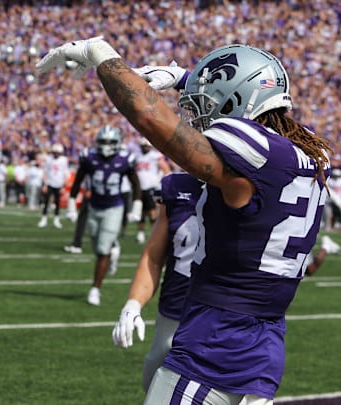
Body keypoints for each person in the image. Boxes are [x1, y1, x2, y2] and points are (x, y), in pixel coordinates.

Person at [37, 38, 333, 403]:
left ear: (239, 101)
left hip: (216, 344)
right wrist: (182, 77)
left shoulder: (252, 152)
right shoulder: (308, 151)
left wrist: (104, 56)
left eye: (206, 106)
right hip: (263, 346)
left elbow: (151, 118)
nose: (199, 116)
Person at [112, 172, 203, 392]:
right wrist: (133, 304)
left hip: (227, 320)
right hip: (174, 311)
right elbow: (154, 257)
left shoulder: (260, 186)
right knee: (152, 385)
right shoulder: (178, 187)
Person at [68, 126, 141, 305]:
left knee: (102, 250)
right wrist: (71, 206)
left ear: (117, 143)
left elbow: (136, 185)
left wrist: (136, 208)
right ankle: (113, 246)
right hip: (94, 207)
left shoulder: (125, 160)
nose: (106, 145)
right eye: (103, 141)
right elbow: (77, 181)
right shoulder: (89, 157)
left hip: (114, 208)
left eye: (110, 142)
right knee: (96, 244)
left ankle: (95, 289)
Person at [134, 138, 171, 243]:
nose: (145, 148)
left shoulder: (155, 156)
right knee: (140, 212)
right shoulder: (137, 156)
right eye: (143, 146)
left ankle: (154, 235)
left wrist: (161, 184)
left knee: (152, 212)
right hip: (139, 188)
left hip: (151, 187)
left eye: (147, 146)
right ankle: (140, 233)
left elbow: (166, 170)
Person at [38, 143, 70, 229]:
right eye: (55, 152)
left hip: (59, 184)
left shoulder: (64, 160)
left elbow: (65, 173)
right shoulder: (49, 159)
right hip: (49, 183)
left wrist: (64, 185)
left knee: (57, 203)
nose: (56, 154)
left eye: (57, 152)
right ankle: (44, 219)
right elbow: (45, 171)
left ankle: (56, 220)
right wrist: (44, 184)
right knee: (46, 202)